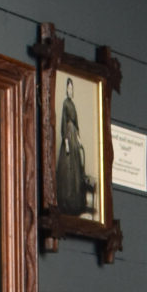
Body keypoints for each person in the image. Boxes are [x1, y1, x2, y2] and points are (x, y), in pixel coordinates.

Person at [56, 80, 89, 215]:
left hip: (74, 136)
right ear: (66, 89)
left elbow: (76, 124)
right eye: (69, 88)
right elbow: (64, 123)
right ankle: (66, 202)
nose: (70, 91)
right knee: (67, 171)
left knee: (76, 170)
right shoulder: (65, 104)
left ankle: (77, 202)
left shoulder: (73, 105)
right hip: (69, 137)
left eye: (72, 88)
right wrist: (67, 143)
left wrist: (79, 139)